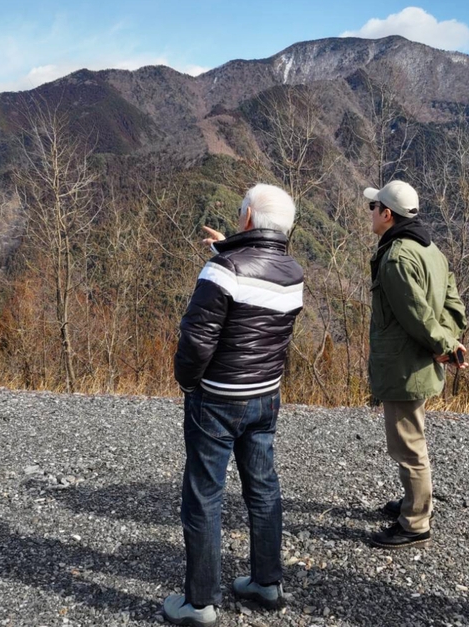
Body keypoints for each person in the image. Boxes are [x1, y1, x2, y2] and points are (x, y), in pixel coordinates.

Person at [162, 184, 304, 627]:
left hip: (218, 398)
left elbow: (196, 341)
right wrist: (229, 248)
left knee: (204, 494)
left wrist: (188, 384)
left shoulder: (221, 270)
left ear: (246, 220)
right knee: (263, 488)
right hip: (265, 396)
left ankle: (200, 603)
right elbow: (257, 293)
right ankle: (267, 583)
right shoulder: (295, 273)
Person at [363, 180, 468, 550]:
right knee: (412, 439)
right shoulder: (431, 250)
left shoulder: (396, 257)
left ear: (388, 214)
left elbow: (417, 317)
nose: (370, 213)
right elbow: (453, 302)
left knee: (407, 446)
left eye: (373, 207)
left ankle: (415, 522)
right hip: (420, 363)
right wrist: (450, 341)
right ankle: (414, 503)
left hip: (404, 367)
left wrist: (444, 345)